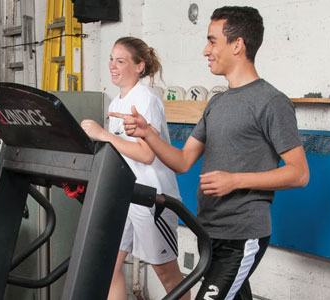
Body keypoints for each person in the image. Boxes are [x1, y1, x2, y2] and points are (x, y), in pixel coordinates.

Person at [111, 6, 310, 300]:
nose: (206, 50)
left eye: (212, 41)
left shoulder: (271, 102)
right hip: (210, 231)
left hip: (241, 235)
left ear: (238, 45)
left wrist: (235, 181)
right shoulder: (216, 104)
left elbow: (299, 172)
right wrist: (148, 133)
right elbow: (182, 161)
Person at [80, 37, 189, 300]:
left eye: (120, 61)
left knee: (168, 276)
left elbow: (146, 154)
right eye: (111, 59)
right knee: (109, 268)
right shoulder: (117, 102)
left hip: (153, 199)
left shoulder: (146, 99)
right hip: (126, 195)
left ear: (139, 66)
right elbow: (121, 151)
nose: (112, 66)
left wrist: (103, 135)